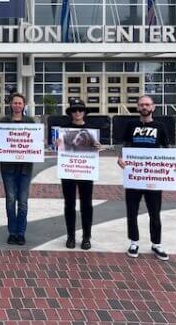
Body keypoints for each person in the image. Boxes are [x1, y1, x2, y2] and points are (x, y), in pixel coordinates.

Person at [117, 95, 176, 261]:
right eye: (141, 105)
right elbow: (126, 146)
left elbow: (167, 150)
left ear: (153, 107)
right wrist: (120, 158)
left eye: (147, 104)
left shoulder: (160, 127)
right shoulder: (131, 125)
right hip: (134, 176)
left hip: (153, 177)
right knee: (131, 211)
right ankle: (134, 242)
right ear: (138, 108)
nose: (144, 107)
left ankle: (156, 243)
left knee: (155, 212)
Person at [56, 98, 100, 250]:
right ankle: (71, 236)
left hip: (86, 171)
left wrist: (100, 146)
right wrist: (56, 144)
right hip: (68, 170)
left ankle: (86, 237)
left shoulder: (92, 129)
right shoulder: (64, 129)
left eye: (80, 110)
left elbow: (100, 148)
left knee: (86, 204)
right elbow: (57, 148)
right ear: (70, 113)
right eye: (74, 110)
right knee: (69, 204)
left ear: (84, 112)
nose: (77, 112)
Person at [0, 92, 36, 246]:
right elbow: (1, 141)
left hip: (25, 168)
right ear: (11, 104)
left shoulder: (31, 122)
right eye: (15, 103)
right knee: (10, 200)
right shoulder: (3, 122)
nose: (17, 105)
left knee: (23, 201)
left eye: (20, 103)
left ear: (24, 105)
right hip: (8, 168)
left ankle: (21, 233)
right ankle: (12, 232)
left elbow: (35, 142)